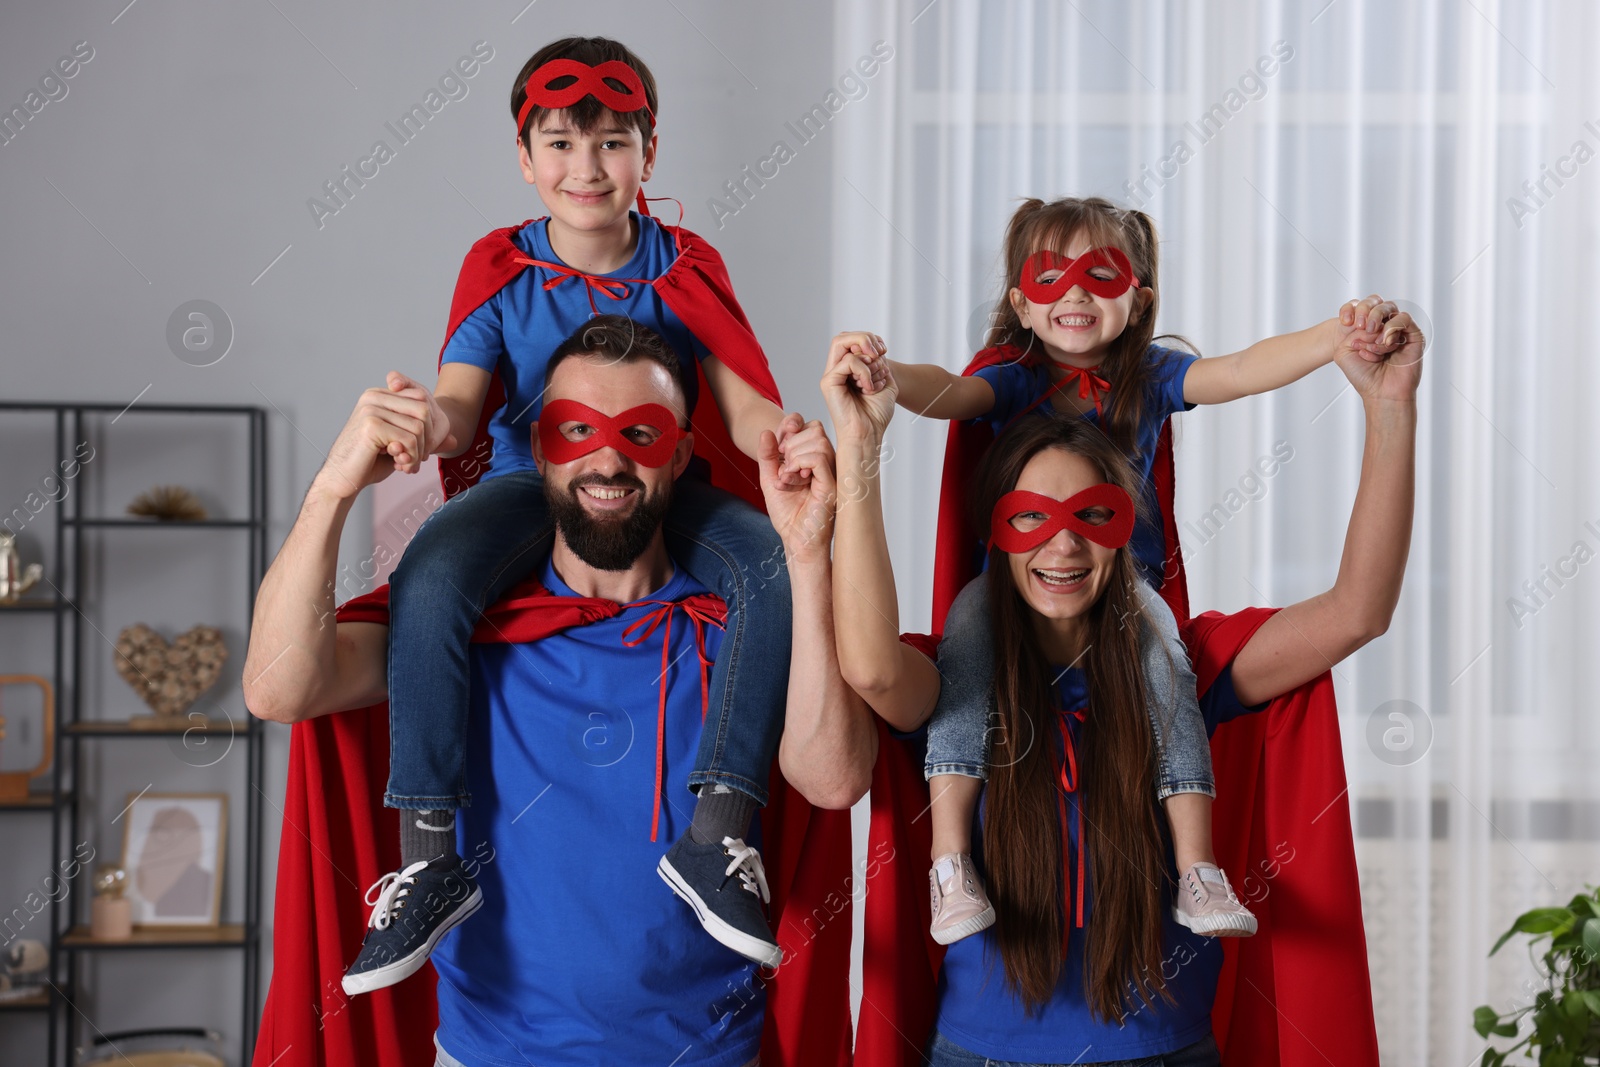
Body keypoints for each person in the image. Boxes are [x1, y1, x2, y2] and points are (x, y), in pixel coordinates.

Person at [242, 318, 874, 1066]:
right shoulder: (457, 634)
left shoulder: (738, 635)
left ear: (679, 454)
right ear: (539, 449)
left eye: (639, 434)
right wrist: (333, 486)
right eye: (576, 429)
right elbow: (277, 688)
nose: (606, 458)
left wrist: (804, 556)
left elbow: (835, 779)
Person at [358, 35, 838, 988]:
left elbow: (739, 401)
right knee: (432, 573)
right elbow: (463, 404)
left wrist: (784, 442)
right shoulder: (498, 265)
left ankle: (717, 831)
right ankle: (428, 849)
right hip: (519, 481)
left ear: (648, 153)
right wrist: (422, 428)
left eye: (612, 142)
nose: (587, 167)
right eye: (562, 145)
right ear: (526, 158)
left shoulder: (684, 260)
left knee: (767, 569)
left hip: (658, 488)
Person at [824, 309, 1421, 1064]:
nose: (1064, 543)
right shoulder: (955, 683)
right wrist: (861, 444)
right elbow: (872, 668)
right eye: (1032, 518)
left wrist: (1389, 405)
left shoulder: (1186, 665)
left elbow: (1357, 610)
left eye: (1092, 517)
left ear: (1127, 528)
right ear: (995, 535)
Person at [852, 195, 1409, 945]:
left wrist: (1333, 339)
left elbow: (1241, 370)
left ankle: (1196, 868)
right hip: (999, 598)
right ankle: (950, 863)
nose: (1076, 292)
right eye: (1052, 277)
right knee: (968, 649)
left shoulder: (1149, 377)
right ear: (1020, 301)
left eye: (1099, 274)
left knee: (1167, 664)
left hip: (1132, 594)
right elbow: (950, 391)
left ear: (1138, 295)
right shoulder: (1012, 377)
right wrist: (884, 379)